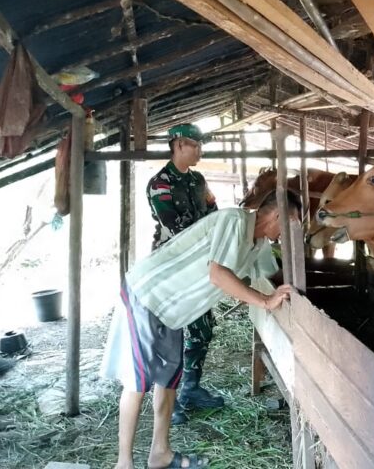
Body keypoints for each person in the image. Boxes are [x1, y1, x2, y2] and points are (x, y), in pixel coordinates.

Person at [102, 189, 301, 469]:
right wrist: (266, 301)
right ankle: (124, 463)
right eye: (290, 224)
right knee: (139, 380)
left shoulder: (259, 244)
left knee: (169, 377)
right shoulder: (235, 220)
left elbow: (272, 274)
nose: (289, 233)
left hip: (174, 311)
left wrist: (300, 293)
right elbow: (218, 274)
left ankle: (160, 453)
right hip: (149, 294)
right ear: (278, 215)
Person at [146, 123, 222, 422]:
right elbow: (174, 227)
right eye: (195, 144)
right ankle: (170, 398)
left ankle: (191, 388)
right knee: (172, 335)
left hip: (199, 265)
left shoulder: (199, 180)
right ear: (178, 145)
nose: (200, 150)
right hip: (173, 266)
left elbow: (213, 210)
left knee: (202, 329)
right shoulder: (159, 184)